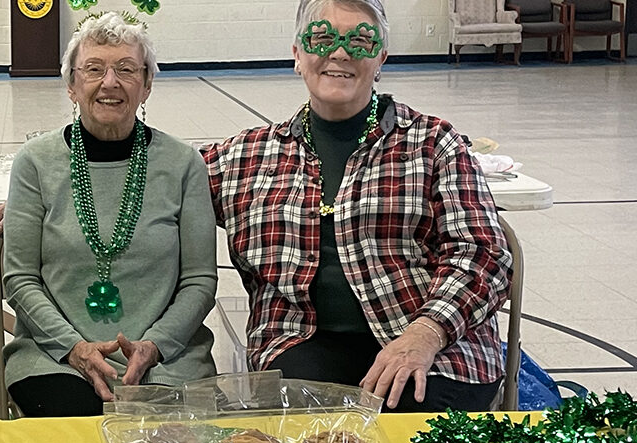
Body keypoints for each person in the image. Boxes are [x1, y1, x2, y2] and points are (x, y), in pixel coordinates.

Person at [200, 0, 512, 412]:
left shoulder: (434, 143)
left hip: (432, 345)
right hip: (300, 341)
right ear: (298, 54)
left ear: (381, 56)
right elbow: (163, 183)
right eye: (322, 38)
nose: (341, 53)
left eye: (361, 41)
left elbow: (484, 254)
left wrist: (426, 333)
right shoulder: (246, 156)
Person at [1, 12, 217, 417]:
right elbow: (20, 279)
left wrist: (154, 346)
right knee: (75, 441)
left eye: (126, 69)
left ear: (147, 85)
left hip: (168, 360)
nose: (110, 82)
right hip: (55, 357)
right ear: (71, 85)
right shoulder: (36, 163)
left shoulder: (183, 163)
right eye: (94, 69)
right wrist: (73, 348)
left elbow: (200, 280)